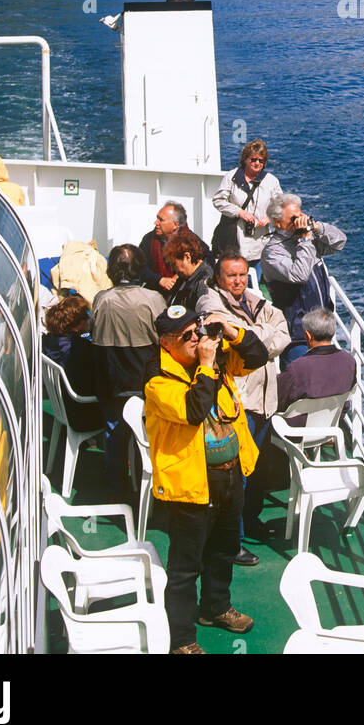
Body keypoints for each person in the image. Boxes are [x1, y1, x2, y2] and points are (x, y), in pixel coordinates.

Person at [145, 304, 269, 653]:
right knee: (186, 567)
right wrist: (205, 364)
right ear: (166, 343)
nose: (197, 339)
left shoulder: (214, 360)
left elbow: (257, 356)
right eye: (187, 337)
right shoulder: (158, 380)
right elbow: (194, 409)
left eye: (197, 331)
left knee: (224, 550)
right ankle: (181, 639)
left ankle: (215, 608)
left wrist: (232, 331)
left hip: (229, 475)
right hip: (191, 486)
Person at [212, 251, 289, 556]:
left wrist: (255, 338)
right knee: (239, 473)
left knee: (256, 468)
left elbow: (282, 332)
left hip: (265, 399)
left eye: (243, 274)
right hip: (243, 401)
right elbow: (247, 343)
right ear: (219, 278)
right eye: (232, 275)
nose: (239, 281)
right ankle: (232, 541)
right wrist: (263, 336)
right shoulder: (216, 306)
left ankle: (250, 519)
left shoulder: (254, 301)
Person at [91, 243, 166, 498]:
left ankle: (116, 486)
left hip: (111, 382)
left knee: (114, 430)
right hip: (146, 382)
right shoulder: (153, 300)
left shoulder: (101, 299)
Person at [261, 193, 346, 367]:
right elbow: (299, 274)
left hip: (322, 327)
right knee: (300, 386)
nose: (299, 221)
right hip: (298, 335)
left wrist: (316, 228)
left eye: (301, 215)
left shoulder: (306, 240)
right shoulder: (272, 253)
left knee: (323, 381)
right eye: (293, 218)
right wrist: (305, 240)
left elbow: (339, 242)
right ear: (277, 222)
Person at [276, 308, 357, 420]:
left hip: (297, 431)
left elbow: (277, 399)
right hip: (332, 424)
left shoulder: (297, 367)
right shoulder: (349, 361)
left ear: (308, 336)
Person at [210, 139, 281, 268]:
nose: (257, 163)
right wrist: (239, 212)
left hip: (259, 240)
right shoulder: (231, 177)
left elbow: (280, 206)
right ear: (245, 159)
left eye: (261, 160)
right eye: (253, 159)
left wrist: (270, 218)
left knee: (256, 276)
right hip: (234, 238)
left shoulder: (271, 181)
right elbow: (218, 200)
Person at [43, 295, 100, 427]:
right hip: (81, 413)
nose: (89, 320)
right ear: (77, 324)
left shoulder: (48, 341)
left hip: (63, 407)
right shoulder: (79, 348)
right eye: (86, 317)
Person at [137, 202, 213, 287]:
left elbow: (208, 263)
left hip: (183, 289)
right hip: (156, 287)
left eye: (161, 220)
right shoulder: (149, 239)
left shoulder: (191, 241)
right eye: (157, 218)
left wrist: (180, 276)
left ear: (175, 225)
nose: (156, 222)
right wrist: (159, 280)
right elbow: (138, 266)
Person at [158, 229, 221, 318]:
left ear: (187, 257)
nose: (172, 269)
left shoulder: (204, 282)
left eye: (173, 264)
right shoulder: (184, 277)